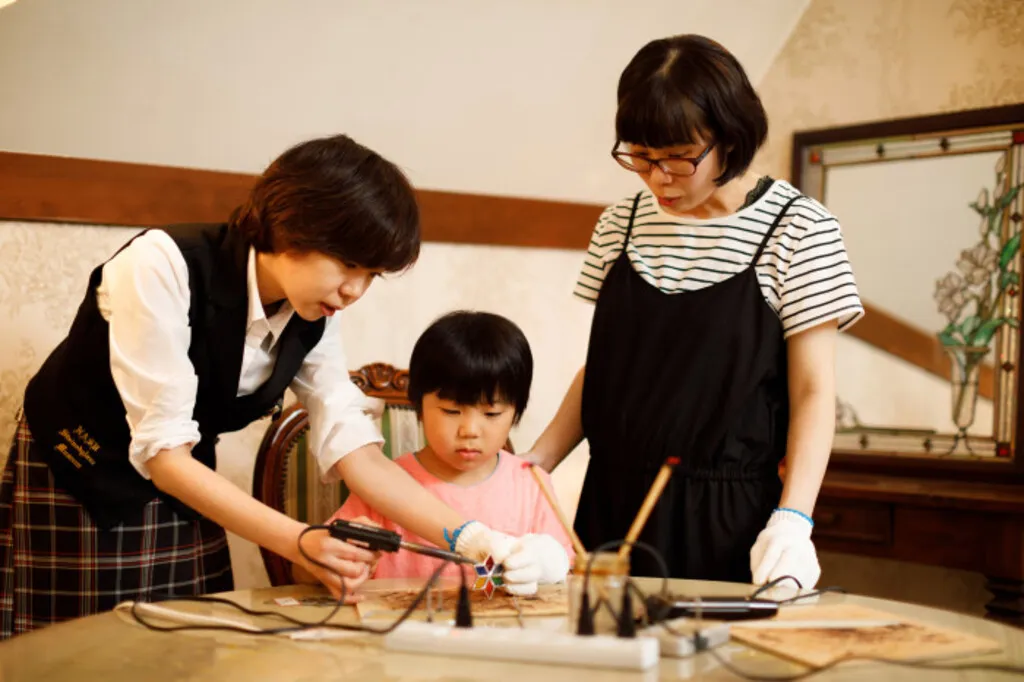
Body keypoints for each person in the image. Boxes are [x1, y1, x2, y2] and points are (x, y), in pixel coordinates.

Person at [0, 135, 543, 639]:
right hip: (79, 469)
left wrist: (474, 538)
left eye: (373, 273)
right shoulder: (160, 265)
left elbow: (357, 452)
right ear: (290, 225)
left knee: (184, 648)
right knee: (85, 652)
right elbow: (165, 455)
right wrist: (298, 541)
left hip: (186, 476)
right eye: (348, 263)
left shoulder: (315, 316)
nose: (356, 289)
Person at [526, 35, 863, 588]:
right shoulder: (620, 223)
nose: (659, 177)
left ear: (729, 136)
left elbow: (813, 392)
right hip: (611, 507)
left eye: (680, 157)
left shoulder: (800, 230)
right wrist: (536, 463)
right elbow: (604, 370)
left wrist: (794, 517)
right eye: (640, 155)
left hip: (729, 517)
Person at [327, 311, 572, 593]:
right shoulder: (384, 483)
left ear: (516, 411)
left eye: (491, 413)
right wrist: (344, 558)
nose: (469, 430)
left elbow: (565, 563)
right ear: (418, 405)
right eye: (451, 411)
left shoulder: (532, 483)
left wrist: (543, 563)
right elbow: (312, 563)